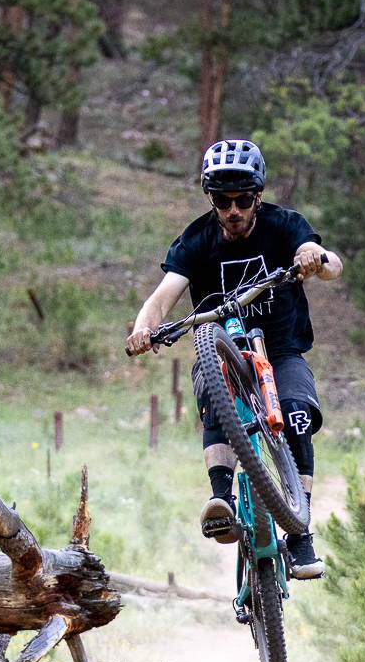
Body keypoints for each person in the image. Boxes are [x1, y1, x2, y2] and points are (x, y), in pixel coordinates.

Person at [126, 138, 343, 580]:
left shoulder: (284, 226)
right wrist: (142, 329)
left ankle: (300, 537)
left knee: (297, 414)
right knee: (214, 397)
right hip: (220, 345)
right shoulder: (196, 239)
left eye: (243, 200)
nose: (233, 210)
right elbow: (163, 296)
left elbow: (333, 264)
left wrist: (314, 257)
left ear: (257, 196)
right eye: (222, 201)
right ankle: (221, 499)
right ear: (211, 199)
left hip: (280, 350)